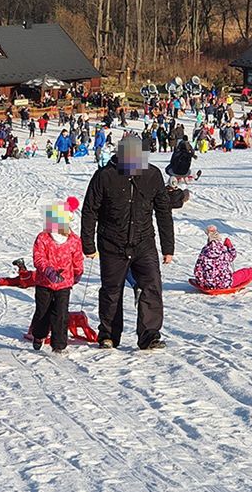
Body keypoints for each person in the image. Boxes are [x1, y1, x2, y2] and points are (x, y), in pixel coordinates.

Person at [80, 136, 174, 350]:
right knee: (112, 290)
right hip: (112, 243)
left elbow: (163, 212)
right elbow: (90, 210)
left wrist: (168, 247)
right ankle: (109, 335)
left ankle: (149, 335)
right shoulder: (105, 175)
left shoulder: (152, 175)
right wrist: (88, 244)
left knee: (151, 287)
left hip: (144, 242)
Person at [30, 198, 85, 354]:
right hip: (44, 282)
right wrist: (48, 271)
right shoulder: (43, 238)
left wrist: (77, 272)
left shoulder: (73, 240)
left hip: (64, 283)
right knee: (43, 312)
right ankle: (39, 335)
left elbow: (77, 258)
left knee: (60, 314)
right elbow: (38, 257)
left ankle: (59, 344)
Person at [192, 225, 252, 290]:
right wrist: (229, 246)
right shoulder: (222, 252)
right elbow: (232, 256)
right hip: (225, 282)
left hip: (207, 284)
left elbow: (197, 269)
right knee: (245, 273)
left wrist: (201, 283)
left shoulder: (204, 253)